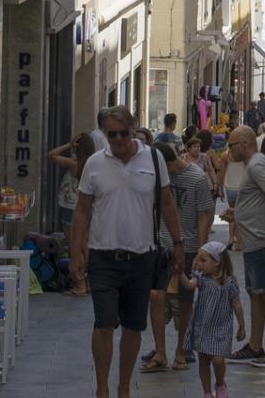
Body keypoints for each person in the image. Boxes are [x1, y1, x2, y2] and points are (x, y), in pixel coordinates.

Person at [70, 106, 185, 398]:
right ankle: (102, 388)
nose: (118, 139)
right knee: (104, 323)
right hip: (103, 256)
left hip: (142, 256)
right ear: (104, 134)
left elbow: (168, 203)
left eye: (123, 132)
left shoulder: (154, 158)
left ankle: (123, 387)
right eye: (112, 134)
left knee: (134, 327)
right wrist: (76, 254)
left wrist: (179, 244)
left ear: (133, 129)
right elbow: (82, 211)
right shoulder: (95, 164)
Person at [141, 142, 215, 373]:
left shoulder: (197, 178)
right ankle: (160, 351)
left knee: (185, 301)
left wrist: (201, 250)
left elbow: (205, 215)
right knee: (155, 296)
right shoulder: (156, 177)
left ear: (168, 163)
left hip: (189, 246)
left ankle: (182, 351)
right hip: (159, 244)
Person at [222, 125, 265, 367]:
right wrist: (238, 213)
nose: (229, 151)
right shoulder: (255, 165)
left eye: (231, 145)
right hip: (253, 241)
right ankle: (255, 345)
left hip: (261, 240)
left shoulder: (256, 164)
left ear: (243, 144)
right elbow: (260, 198)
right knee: (256, 293)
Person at [179, 241, 246, 398]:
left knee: (217, 360)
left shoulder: (229, 282)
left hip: (220, 327)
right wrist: (179, 273)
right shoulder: (202, 279)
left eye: (203, 260)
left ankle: (220, 383)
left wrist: (242, 324)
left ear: (217, 262)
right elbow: (189, 285)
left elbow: (236, 304)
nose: (198, 264)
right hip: (202, 325)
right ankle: (207, 392)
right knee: (203, 360)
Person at [48, 132, 97, 296]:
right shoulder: (94, 164)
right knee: (85, 246)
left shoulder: (73, 163)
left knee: (74, 248)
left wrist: (69, 145)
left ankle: (80, 284)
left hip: (71, 208)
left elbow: (51, 155)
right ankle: (90, 283)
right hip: (88, 207)